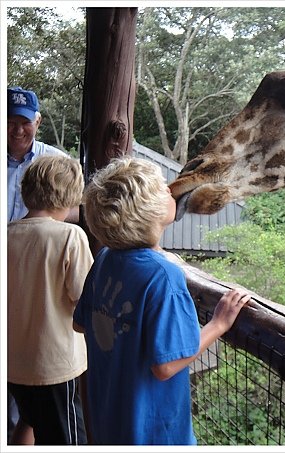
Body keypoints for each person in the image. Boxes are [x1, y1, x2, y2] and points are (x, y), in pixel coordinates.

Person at [73, 157, 250, 445]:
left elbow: (80, 324)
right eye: (162, 190)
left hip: (109, 420)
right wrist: (219, 324)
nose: (170, 191)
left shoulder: (106, 258)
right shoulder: (164, 277)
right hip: (154, 434)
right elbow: (166, 365)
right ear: (149, 212)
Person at [7, 155, 93, 445]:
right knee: (67, 441)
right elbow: (85, 302)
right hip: (54, 366)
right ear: (70, 198)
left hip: (13, 363)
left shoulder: (7, 235)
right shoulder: (71, 237)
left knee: (28, 419)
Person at [7, 86, 76, 222]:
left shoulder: (58, 162)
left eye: (26, 122)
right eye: (11, 123)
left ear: (37, 122)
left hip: (40, 242)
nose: (18, 130)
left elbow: (79, 208)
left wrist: (44, 219)